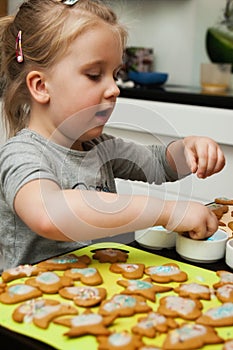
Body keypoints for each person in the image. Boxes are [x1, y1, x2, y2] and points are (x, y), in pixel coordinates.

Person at [0, 0, 225, 270]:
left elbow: (159, 163)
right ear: (40, 86)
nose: (114, 89)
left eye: (115, 74)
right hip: (27, 306)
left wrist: (190, 149)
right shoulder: (21, 154)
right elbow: (49, 213)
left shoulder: (99, 148)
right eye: (95, 75)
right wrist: (166, 211)